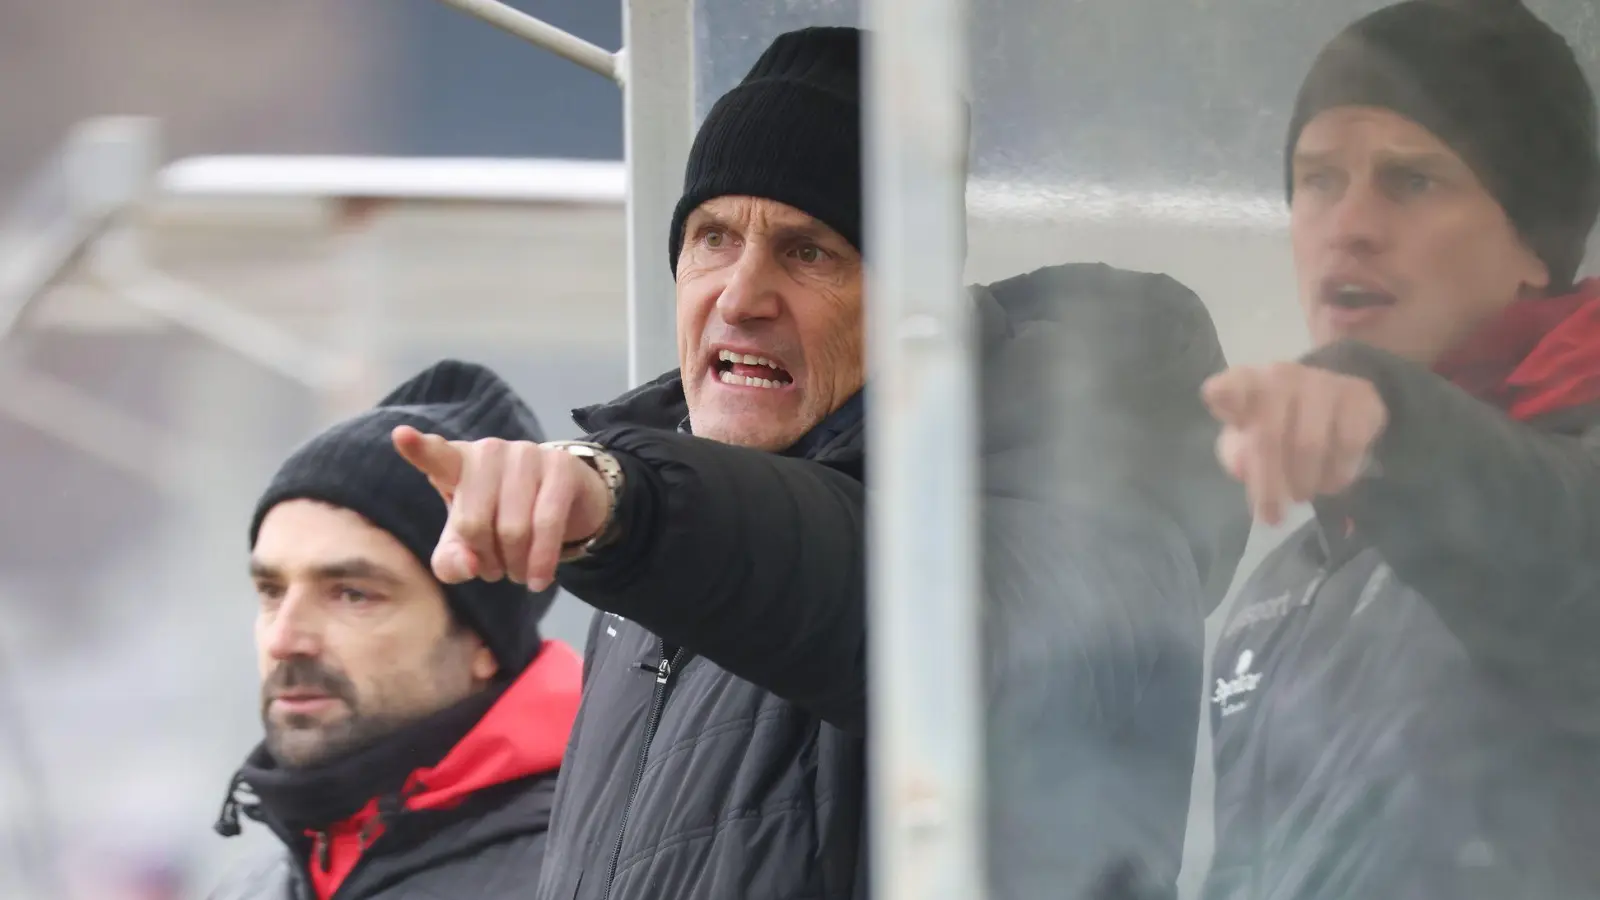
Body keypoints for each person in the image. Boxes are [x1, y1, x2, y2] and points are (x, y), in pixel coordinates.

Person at [393, 26, 1247, 900]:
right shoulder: (650, 561)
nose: (740, 294)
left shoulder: (1089, 500)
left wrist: (626, 502)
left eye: (809, 252)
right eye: (714, 237)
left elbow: (902, 606)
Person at [1202, 2, 1600, 898]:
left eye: (1412, 181)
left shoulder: (1561, 504)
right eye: (1317, 180)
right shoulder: (1278, 591)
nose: (1349, 225)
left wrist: (1388, 421)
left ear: (1535, 242)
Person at [206, 361, 583, 900]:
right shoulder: (250, 885)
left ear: (482, 638)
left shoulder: (595, 872)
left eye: (351, 594)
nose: (284, 639)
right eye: (271, 592)